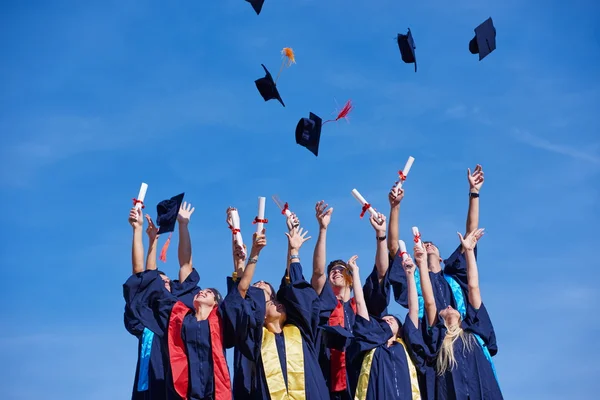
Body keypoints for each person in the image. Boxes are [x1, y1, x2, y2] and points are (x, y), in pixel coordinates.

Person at [223, 218, 330, 400]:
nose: (276, 303)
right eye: (269, 301)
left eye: (275, 298)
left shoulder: (301, 330)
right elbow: (239, 300)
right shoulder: (255, 338)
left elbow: (295, 289)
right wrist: (249, 258)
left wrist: (294, 251)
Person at [149, 202, 234, 400]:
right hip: (167, 371)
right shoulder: (172, 306)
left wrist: (183, 225)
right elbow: (149, 278)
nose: (203, 292)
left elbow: (185, 263)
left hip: (207, 387)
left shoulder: (188, 295)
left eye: (209, 292)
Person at [311, 201, 392, 400]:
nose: (336, 272)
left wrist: (381, 236)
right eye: (333, 271)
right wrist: (323, 229)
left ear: (350, 277)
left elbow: (381, 273)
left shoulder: (363, 304)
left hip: (364, 376)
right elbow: (318, 272)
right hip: (329, 379)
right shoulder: (323, 305)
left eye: (341, 269)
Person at [123, 200, 199, 400]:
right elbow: (142, 276)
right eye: (160, 280)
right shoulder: (148, 316)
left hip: (183, 373)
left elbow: (185, 264)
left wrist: (183, 225)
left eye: (167, 280)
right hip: (154, 374)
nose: (164, 281)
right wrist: (138, 230)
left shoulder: (179, 304)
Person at [419, 228, 502, 400]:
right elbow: (429, 301)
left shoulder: (474, 329)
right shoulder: (436, 339)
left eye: (451, 306)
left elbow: (473, 286)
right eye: (444, 309)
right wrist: (421, 264)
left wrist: (470, 251)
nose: (449, 306)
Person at [346, 253, 425, 400]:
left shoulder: (407, 345)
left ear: (401, 330)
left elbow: (414, 308)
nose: (387, 320)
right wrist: (355, 272)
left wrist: (410, 275)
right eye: (383, 320)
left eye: (392, 319)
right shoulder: (370, 342)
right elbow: (360, 304)